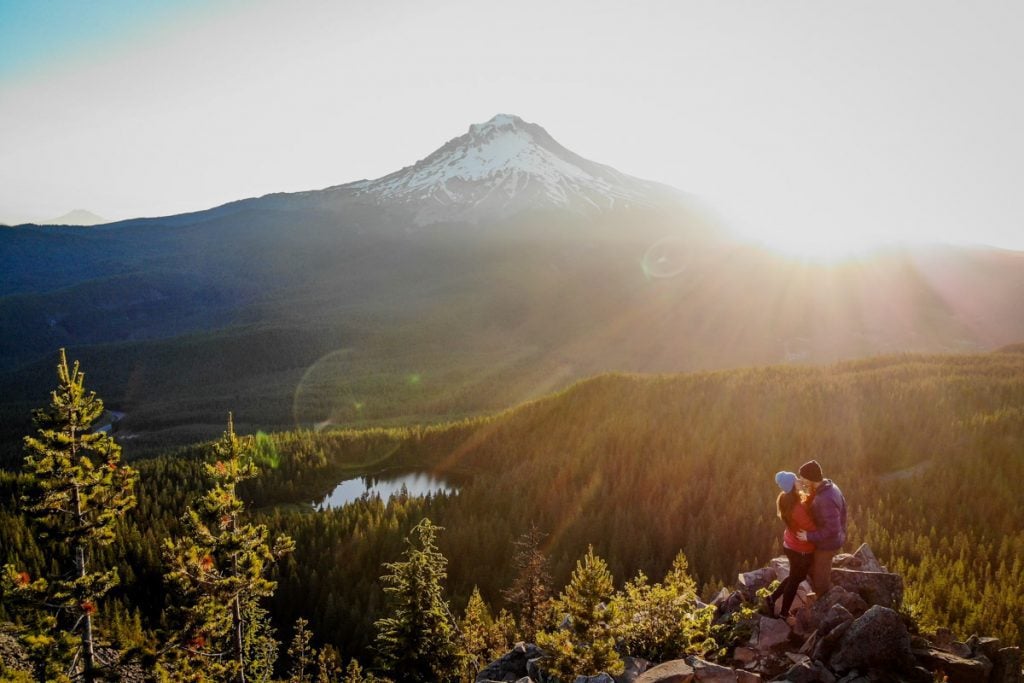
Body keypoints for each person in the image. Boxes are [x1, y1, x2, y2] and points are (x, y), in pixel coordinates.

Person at [766, 471, 816, 619]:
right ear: (791, 486)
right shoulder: (797, 508)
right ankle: (783, 613)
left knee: (795, 577)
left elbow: (803, 501)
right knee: (795, 580)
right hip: (800, 550)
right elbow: (811, 527)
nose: (799, 481)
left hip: (791, 546)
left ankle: (772, 598)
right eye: (796, 480)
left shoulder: (786, 499)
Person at [795, 459, 848, 594]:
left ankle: (825, 604)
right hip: (829, 539)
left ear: (811, 478)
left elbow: (832, 530)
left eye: (804, 478)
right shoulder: (828, 487)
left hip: (827, 545)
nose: (802, 481)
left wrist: (808, 536)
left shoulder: (826, 498)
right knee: (811, 568)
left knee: (820, 584)